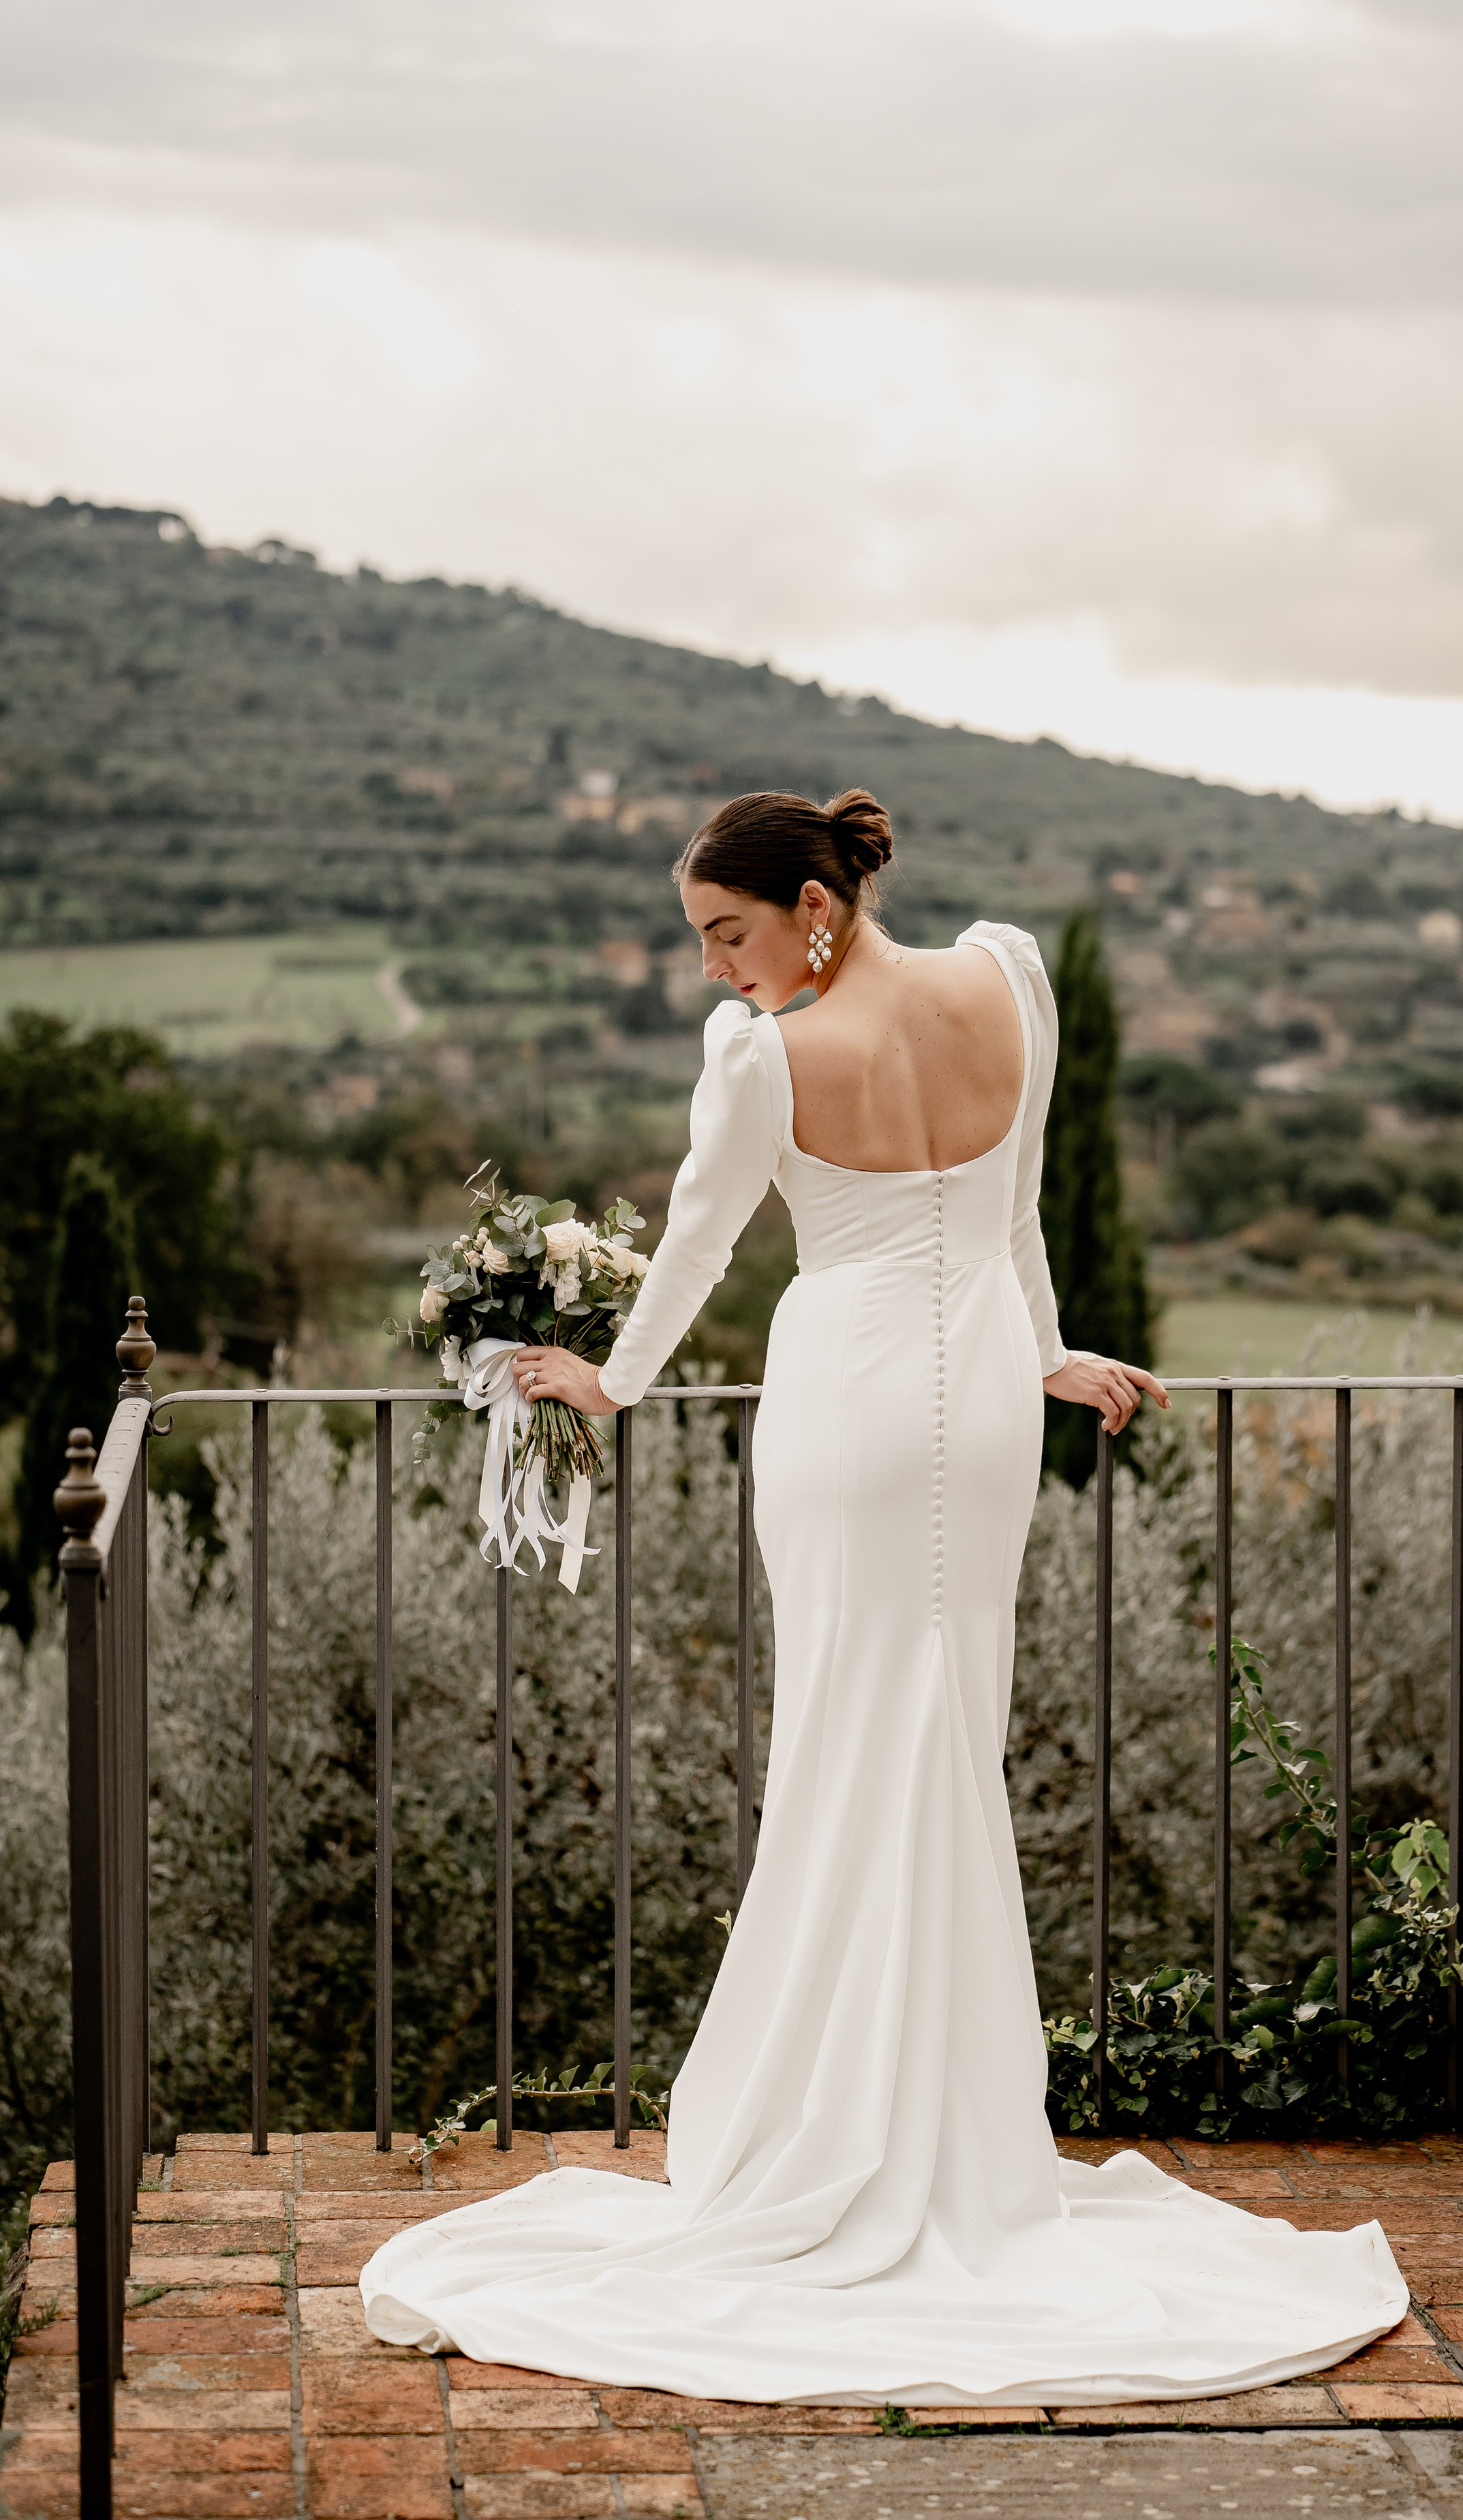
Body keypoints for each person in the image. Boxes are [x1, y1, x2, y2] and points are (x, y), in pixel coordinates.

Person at [361, 788, 1406, 2405]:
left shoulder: (761, 1060)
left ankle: (845, 2124)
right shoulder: (1008, 978)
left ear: (812, 905)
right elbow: (1017, 1209)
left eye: (726, 933)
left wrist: (614, 1383)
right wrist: (1043, 1351)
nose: (714, 970)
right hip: (981, 1405)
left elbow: (699, 1248)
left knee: (847, 1746)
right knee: (938, 1739)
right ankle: (942, 2130)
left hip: (847, 1404)